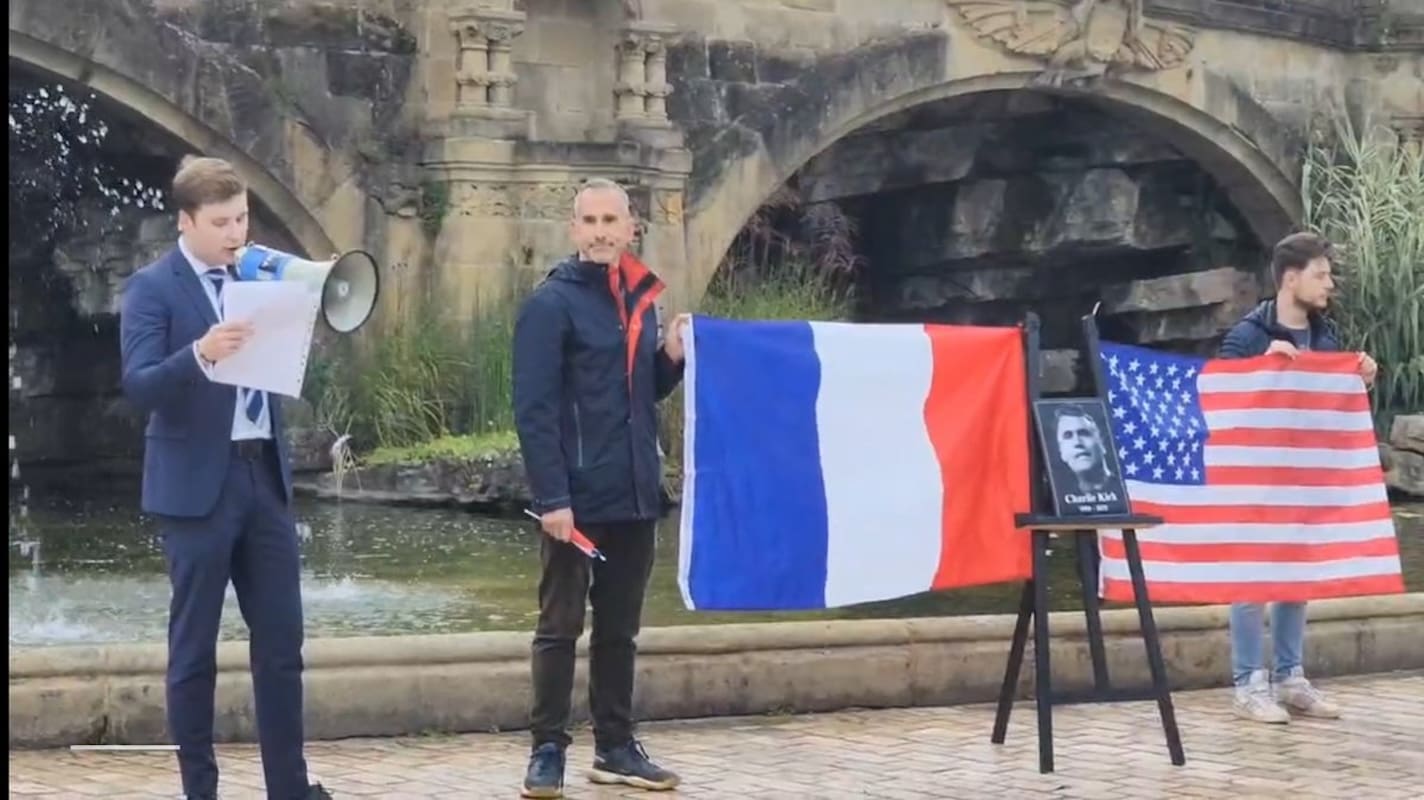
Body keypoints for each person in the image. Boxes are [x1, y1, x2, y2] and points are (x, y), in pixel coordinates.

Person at [118, 155, 331, 800]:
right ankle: (199, 791)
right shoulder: (152, 288)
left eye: (241, 217)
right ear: (186, 221)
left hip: (261, 479)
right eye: (222, 222)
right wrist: (199, 354)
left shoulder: (261, 275)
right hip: (193, 491)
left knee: (282, 645)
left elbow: (279, 372)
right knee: (193, 652)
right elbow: (138, 386)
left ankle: (288, 789)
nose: (236, 232)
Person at [512, 178, 688, 798]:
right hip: (576, 501)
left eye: (612, 220)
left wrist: (669, 358)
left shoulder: (640, 300)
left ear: (631, 227)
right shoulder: (549, 305)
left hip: (636, 494)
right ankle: (547, 750)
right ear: (573, 229)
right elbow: (532, 411)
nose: (601, 231)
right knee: (560, 627)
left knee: (620, 630)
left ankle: (615, 747)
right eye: (590, 221)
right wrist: (552, 498)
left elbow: (641, 398)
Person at [1217, 231, 1377, 724]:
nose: (1329, 284)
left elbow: (1330, 410)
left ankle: (1290, 677)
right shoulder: (1248, 335)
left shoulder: (1325, 336)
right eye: (1321, 274)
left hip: (1302, 476)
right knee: (1250, 579)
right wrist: (1262, 369)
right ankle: (1248, 683)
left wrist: (1361, 381)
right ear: (1291, 278)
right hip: (1253, 480)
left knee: (1295, 577)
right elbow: (1217, 398)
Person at [1053, 404, 1114, 494]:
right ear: (1061, 451)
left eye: (1084, 433)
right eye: (1068, 436)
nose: (1077, 442)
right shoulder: (1057, 495)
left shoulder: (1131, 489)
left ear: (1102, 443)